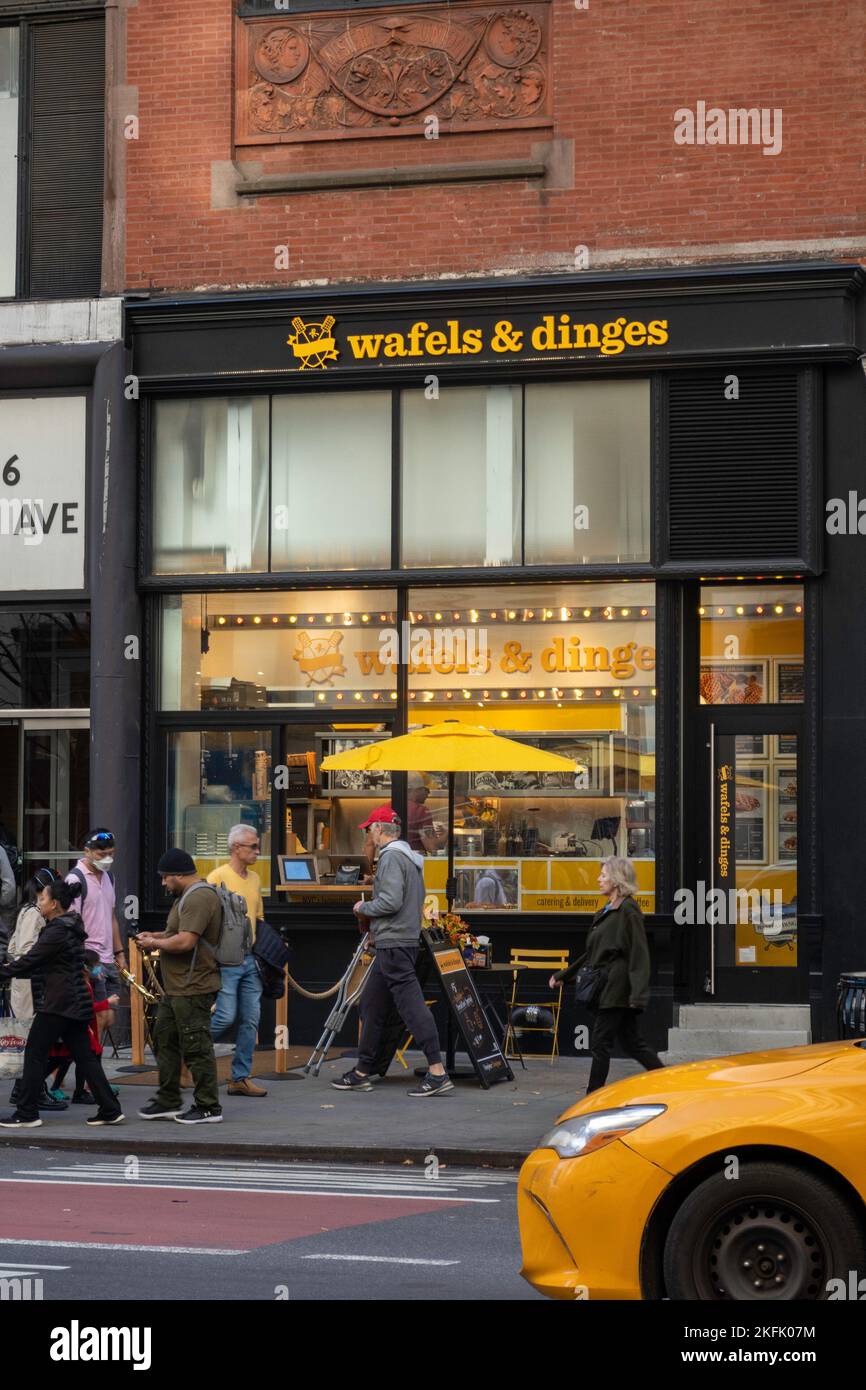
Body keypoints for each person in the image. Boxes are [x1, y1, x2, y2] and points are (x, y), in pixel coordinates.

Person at [332, 813, 453, 1099]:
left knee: (411, 1006)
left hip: (394, 943)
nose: (368, 837)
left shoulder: (390, 857)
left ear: (377, 829)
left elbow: (390, 901)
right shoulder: (409, 857)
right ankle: (363, 1071)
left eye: (369, 830)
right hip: (399, 940)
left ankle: (437, 1072)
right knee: (371, 1003)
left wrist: (362, 908)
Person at [0, 878, 124, 1128]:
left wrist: (4, 971)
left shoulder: (57, 931)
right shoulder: (71, 927)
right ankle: (110, 1109)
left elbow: (32, 959)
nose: (39, 903)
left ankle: (26, 1113)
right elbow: (46, 965)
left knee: (34, 1054)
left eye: (42, 899)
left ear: (55, 904)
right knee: (85, 1056)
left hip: (58, 1003)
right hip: (74, 1001)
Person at [550, 856, 664, 1094]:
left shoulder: (628, 910)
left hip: (618, 987)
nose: (598, 879)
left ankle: (592, 1097)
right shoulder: (606, 911)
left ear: (616, 879)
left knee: (601, 1042)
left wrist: (638, 993)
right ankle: (668, 1081)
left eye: (603, 875)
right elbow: (591, 954)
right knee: (633, 1043)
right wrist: (564, 975)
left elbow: (639, 953)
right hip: (607, 984)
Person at [135, 849, 223, 1124]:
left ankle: (208, 1106)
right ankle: (168, 1099)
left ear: (180, 875)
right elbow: (176, 933)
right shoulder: (185, 897)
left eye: (165, 877)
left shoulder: (200, 897)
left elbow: (186, 941)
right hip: (177, 988)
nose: (162, 883)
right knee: (164, 1039)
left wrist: (154, 944)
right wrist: (157, 935)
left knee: (196, 1047)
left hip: (193, 985)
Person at [206, 824, 267, 1098]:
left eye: (257, 845)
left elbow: (259, 917)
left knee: (251, 1020)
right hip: (227, 960)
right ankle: (187, 1052)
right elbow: (205, 918)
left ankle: (239, 1077)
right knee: (224, 1017)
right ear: (236, 848)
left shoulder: (254, 879)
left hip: (251, 958)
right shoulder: (217, 877)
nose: (257, 850)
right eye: (252, 846)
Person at [66, 829, 129, 1041]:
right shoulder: (75, 879)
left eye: (111, 853)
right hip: (91, 960)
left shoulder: (110, 877)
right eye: (102, 854)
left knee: (110, 1017)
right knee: (100, 1016)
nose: (107, 858)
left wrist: (120, 954)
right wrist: (81, 962)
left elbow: (111, 917)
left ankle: (84, 1061)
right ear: (87, 851)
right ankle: (92, 1067)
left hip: (109, 958)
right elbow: (71, 924)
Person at [406, 774, 447, 855]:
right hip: (414, 863)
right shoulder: (421, 811)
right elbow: (432, 846)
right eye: (427, 790)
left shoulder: (385, 807)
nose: (429, 793)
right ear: (417, 790)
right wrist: (448, 833)